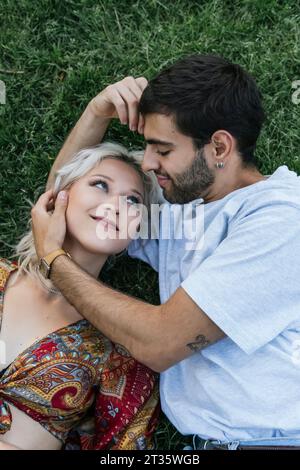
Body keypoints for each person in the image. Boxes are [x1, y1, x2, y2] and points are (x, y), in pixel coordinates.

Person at [32, 54, 300, 450]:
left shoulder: (280, 218)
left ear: (219, 147)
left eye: (163, 149)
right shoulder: (183, 213)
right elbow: (64, 203)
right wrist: (97, 111)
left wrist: (53, 259)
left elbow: (160, 343)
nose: (149, 162)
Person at [0, 143, 160, 450]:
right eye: (101, 185)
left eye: (133, 201)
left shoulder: (121, 348)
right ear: (59, 197)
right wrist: (98, 110)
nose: (116, 205)